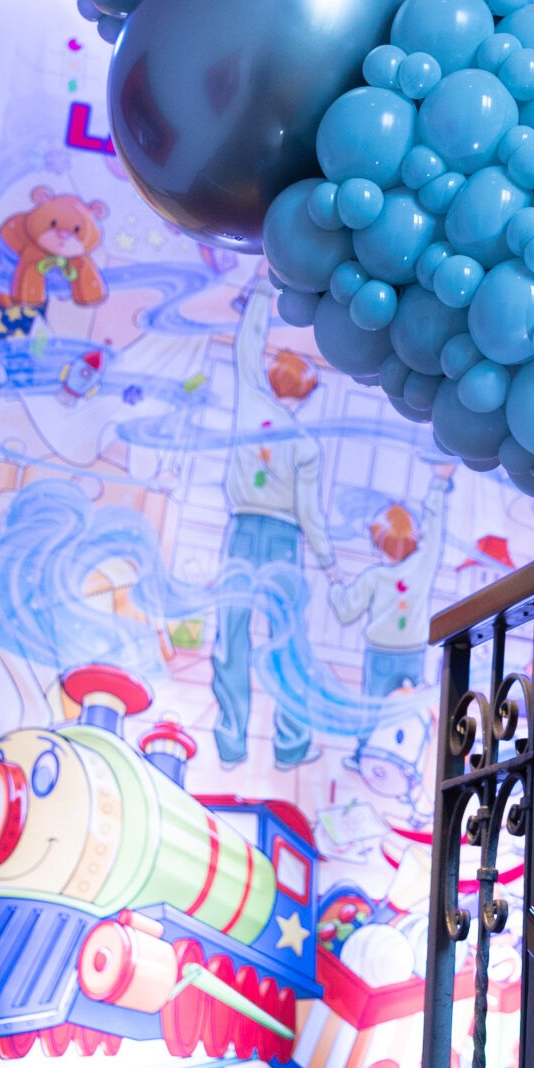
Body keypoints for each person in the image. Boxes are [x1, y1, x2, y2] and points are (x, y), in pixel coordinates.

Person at [211, 284, 332, 767]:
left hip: (242, 532)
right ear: (304, 394)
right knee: (287, 646)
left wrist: (260, 292)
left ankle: (230, 744)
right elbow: (310, 512)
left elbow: (248, 343)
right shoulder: (305, 445)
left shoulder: (250, 401)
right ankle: (290, 746)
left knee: (231, 636)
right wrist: (327, 561)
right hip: (284, 540)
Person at [331, 469, 451, 714]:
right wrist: (439, 482)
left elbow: (345, 613)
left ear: (378, 541)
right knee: (411, 714)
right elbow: (434, 526)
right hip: (413, 652)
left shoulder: (373, 577)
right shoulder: (422, 565)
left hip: (381, 654)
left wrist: (335, 588)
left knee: (375, 715)